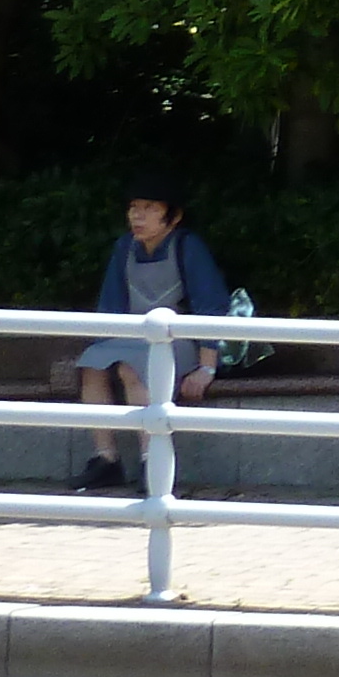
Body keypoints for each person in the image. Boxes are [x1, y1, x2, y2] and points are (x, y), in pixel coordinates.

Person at [71, 186, 229, 492]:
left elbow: (212, 306)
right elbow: (111, 306)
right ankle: (105, 459)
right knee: (91, 366)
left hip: (179, 340)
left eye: (150, 208)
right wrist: (102, 345)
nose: (137, 216)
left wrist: (206, 368)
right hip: (132, 335)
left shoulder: (188, 247)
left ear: (174, 216)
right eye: (133, 207)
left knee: (133, 368)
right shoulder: (124, 248)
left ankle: (150, 462)